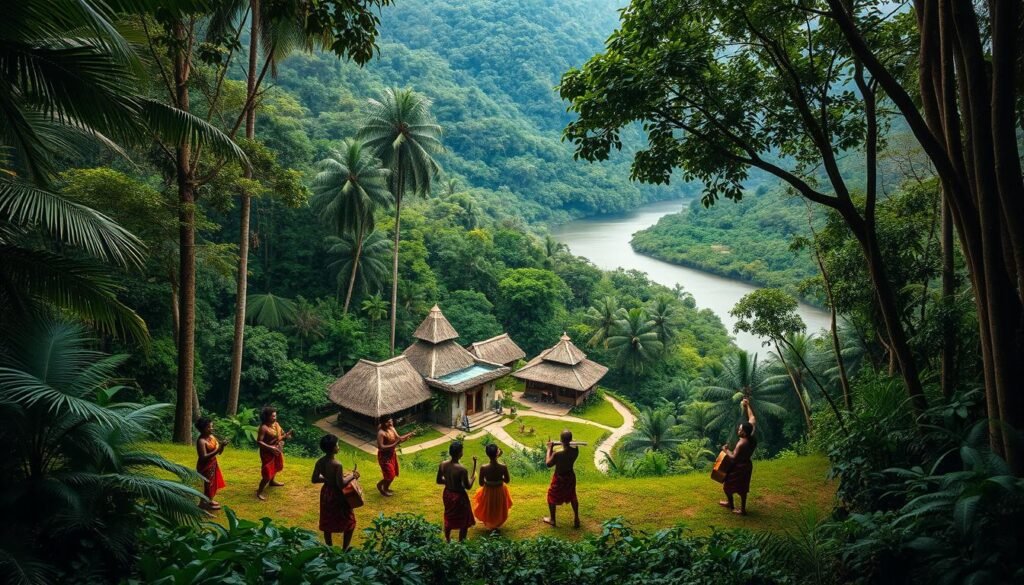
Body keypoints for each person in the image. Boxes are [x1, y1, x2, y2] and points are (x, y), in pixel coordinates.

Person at [311, 435, 360, 550]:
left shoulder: (320, 462)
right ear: (333, 448)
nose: (338, 447)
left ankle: (329, 548)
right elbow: (341, 484)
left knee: (327, 520)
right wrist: (353, 475)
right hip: (338, 495)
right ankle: (345, 549)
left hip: (326, 493)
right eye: (337, 445)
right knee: (349, 521)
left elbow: (314, 479)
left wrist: (327, 479)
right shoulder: (337, 464)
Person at [719, 398, 757, 515]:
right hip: (747, 465)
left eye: (740, 430)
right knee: (743, 488)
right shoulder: (751, 433)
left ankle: (732, 506)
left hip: (739, 466)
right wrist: (747, 406)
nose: (738, 430)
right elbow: (752, 418)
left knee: (727, 487)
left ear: (744, 433)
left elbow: (734, 457)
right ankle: (742, 509)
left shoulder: (742, 444)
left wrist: (726, 450)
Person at [436, 441, 477, 542]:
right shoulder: (462, 469)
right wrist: (473, 477)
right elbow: (468, 486)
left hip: (447, 493)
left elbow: (439, 480)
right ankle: (461, 541)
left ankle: (447, 539)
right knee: (463, 518)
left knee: (448, 515)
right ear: (460, 453)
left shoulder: (443, 464)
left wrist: (449, 481)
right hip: (459, 496)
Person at [542, 430, 580, 528]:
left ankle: (552, 520)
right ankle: (576, 519)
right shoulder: (575, 450)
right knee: (572, 495)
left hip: (560, 477)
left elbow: (548, 464)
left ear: (561, 440)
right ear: (571, 440)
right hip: (570, 476)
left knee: (551, 495)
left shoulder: (558, 454)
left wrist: (549, 448)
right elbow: (569, 446)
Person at [473, 443, 513, 530]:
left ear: (487, 454)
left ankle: (490, 521)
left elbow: (481, 483)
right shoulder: (503, 467)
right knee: (498, 505)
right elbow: (507, 480)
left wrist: (489, 482)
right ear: (497, 453)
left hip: (488, 490)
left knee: (489, 506)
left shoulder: (484, 468)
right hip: (500, 489)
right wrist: (499, 479)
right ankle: (497, 522)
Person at [256, 406, 293, 501]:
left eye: (275, 416)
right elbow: (259, 441)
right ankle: (259, 492)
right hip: (267, 452)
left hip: (276, 450)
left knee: (276, 466)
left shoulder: (276, 424)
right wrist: (270, 447)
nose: (275, 418)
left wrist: (286, 436)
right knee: (267, 472)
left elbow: (281, 435)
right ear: (266, 417)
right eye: (273, 416)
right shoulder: (263, 428)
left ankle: (272, 482)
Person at [195, 417, 227, 511]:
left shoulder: (212, 437)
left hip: (213, 463)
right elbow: (203, 457)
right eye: (209, 427)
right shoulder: (201, 441)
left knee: (212, 484)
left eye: (212, 426)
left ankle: (209, 500)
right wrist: (218, 449)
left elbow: (219, 452)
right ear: (202, 428)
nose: (211, 429)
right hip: (205, 466)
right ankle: (203, 504)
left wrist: (222, 446)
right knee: (208, 485)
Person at [376, 417, 413, 496]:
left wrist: (408, 435)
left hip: (392, 454)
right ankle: (380, 486)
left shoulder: (392, 428)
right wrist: (395, 443)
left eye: (391, 421)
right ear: (383, 423)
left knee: (392, 474)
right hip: (384, 457)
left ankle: (386, 488)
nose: (391, 423)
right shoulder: (381, 433)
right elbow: (381, 447)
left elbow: (399, 438)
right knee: (390, 475)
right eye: (388, 422)